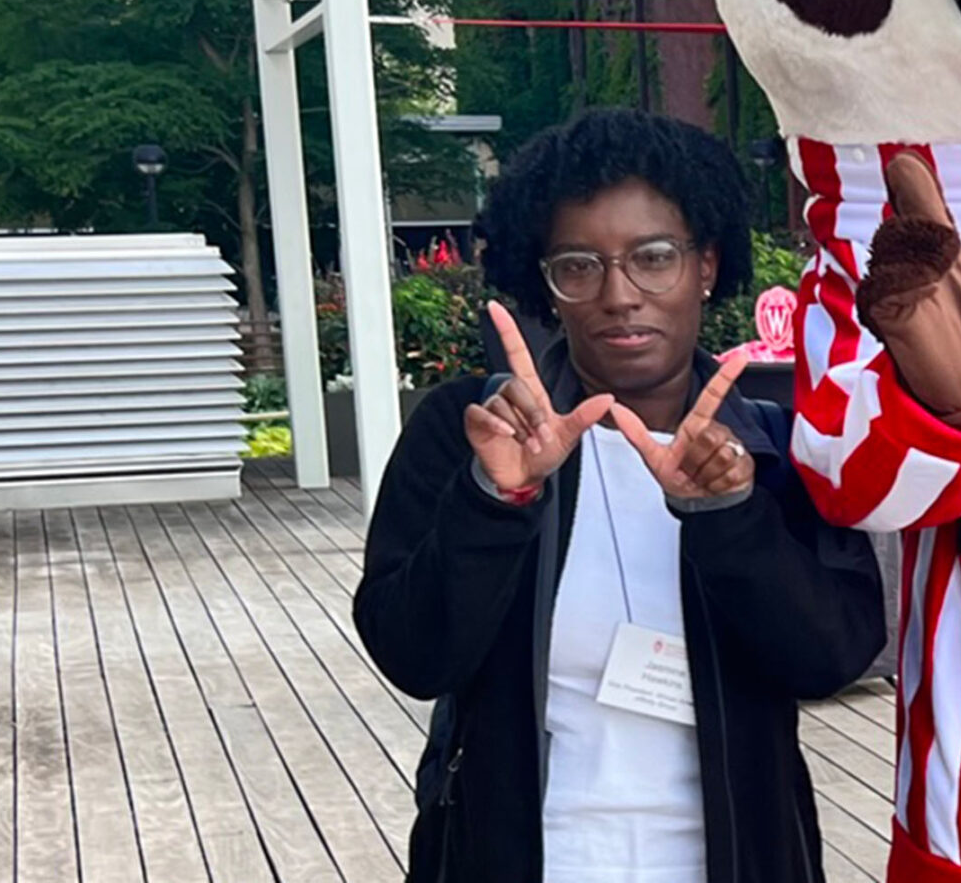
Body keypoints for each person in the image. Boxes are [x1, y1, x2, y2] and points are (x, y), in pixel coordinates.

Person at [354, 109, 886, 883]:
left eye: (654, 257)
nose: (618, 294)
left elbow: (831, 658)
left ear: (706, 265)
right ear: (547, 282)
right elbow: (414, 653)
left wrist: (731, 515)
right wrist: (495, 501)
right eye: (579, 264)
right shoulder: (467, 432)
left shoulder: (775, 450)